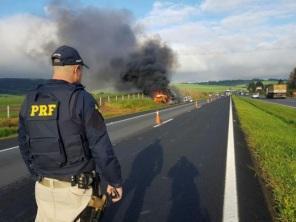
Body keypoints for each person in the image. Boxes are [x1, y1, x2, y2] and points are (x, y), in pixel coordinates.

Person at [18, 45, 123, 222]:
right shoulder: (81, 98)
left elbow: (23, 143)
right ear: (76, 69)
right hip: (75, 193)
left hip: (43, 189)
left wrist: (37, 174)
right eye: (81, 71)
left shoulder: (31, 99)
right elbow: (100, 145)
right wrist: (115, 181)